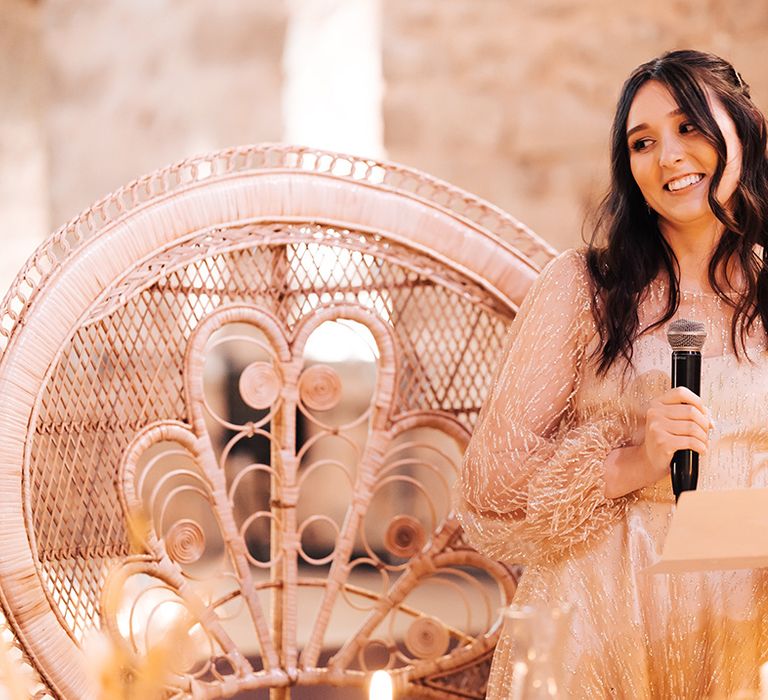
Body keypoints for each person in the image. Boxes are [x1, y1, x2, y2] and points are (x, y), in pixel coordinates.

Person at [456, 49, 768, 699]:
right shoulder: (586, 288)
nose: (669, 157)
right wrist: (634, 460)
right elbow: (491, 482)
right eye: (643, 142)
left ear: (742, 127)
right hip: (598, 623)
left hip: (741, 623)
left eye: (689, 127)